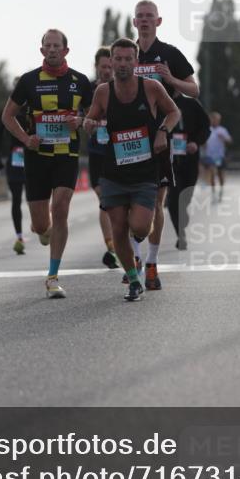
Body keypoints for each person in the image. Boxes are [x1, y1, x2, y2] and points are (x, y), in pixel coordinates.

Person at [85, 38, 180, 302]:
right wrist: (88, 124)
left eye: (129, 59)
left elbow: (173, 113)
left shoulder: (150, 87)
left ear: (136, 62)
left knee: (139, 226)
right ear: (112, 61)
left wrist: (162, 131)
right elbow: (92, 118)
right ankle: (134, 279)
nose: (123, 64)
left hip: (144, 172)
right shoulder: (103, 92)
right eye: (119, 59)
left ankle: (138, 250)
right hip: (114, 171)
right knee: (118, 229)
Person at [1, 29, 92, 299]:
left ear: (66, 50)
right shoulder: (29, 81)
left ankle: (52, 277)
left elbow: (98, 116)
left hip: (67, 154)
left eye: (57, 46)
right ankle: (45, 229)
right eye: (47, 46)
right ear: (41, 50)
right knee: (41, 225)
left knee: (61, 207)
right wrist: (26, 139)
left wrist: (82, 121)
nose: (52, 50)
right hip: (37, 158)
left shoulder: (80, 81)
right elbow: (7, 116)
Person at [132, 0, 199, 290]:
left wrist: (170, 78)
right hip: (127, 140)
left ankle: (151, 263)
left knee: (156, 204)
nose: (145, 20)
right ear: (134, 22)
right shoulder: (125, 54)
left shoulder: (169, 53)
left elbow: (195, 90)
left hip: (160, 137)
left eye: (150, 16)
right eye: (140, 17)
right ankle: (133, 259)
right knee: (127, 205)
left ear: (158, 22)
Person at [166, 96, 212, 249]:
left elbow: (206, 126)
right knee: (173, 200)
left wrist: (196, 142)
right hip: (169, 159)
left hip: (189, 158)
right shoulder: (159, 101)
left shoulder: (191, 104)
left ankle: (182, 213)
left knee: (185, 197)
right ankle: (181, 235)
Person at [87, 46, 118, 268]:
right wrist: (86, 121)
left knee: (114, 203)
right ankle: (111, 246)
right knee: (104, 200)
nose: (106, 71)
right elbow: (77, 116)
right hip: (97, 152)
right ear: (96, 67)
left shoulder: (123, 89)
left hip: (117, 153)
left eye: (110, 66)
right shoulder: (88, 89)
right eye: (103, 67)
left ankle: (115, 245)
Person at [0, 86, 28, 254]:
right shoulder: (7, 111)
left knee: (35, 198)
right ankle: (19, 236)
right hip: (14, 159)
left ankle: (41, 224)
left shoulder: (32, 108)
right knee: (16, 200)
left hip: (33, 158)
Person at [201, 112, 232, 201]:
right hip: (210, 156)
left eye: (216, 119)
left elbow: (230, 140)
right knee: (212, 172)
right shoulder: (207, 130)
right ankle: (213, 192)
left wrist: (224, 138)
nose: (215, 121)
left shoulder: (222, 130)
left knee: (220, 175)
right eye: (213, 119)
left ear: (219, 120)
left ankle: (221, 190)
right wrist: (204, 144)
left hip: (220, 156)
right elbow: (202, 142)